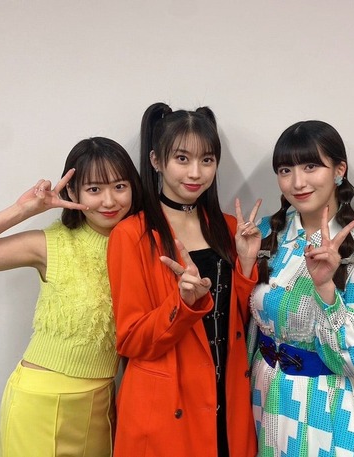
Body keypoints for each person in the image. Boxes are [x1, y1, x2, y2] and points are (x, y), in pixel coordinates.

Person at [0, 137, 142, 457]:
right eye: (94, 189)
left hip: (101, 404)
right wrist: (21, 210)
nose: (109, 200)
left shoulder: (143, 245)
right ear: (73, 193)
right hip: (40, 402)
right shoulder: (50, 244)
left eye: (119, 186)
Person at [107, 102, 260, 457]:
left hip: (227, 399)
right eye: (182, 159)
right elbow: (131, 340)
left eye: (207, 160)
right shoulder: (131, 235)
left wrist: (246, 264)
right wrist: (183, 305)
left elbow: (239, 324)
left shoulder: (230, 228)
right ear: (156, 161)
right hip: (167, 407)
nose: (196, 172)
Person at [249, 120, 354, 457]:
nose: (297, 182)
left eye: (311, 166)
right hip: (262, 394)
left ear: (339, 170)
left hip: (324, 406)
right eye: (286, 170)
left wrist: (326, 288)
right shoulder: (265, 234)